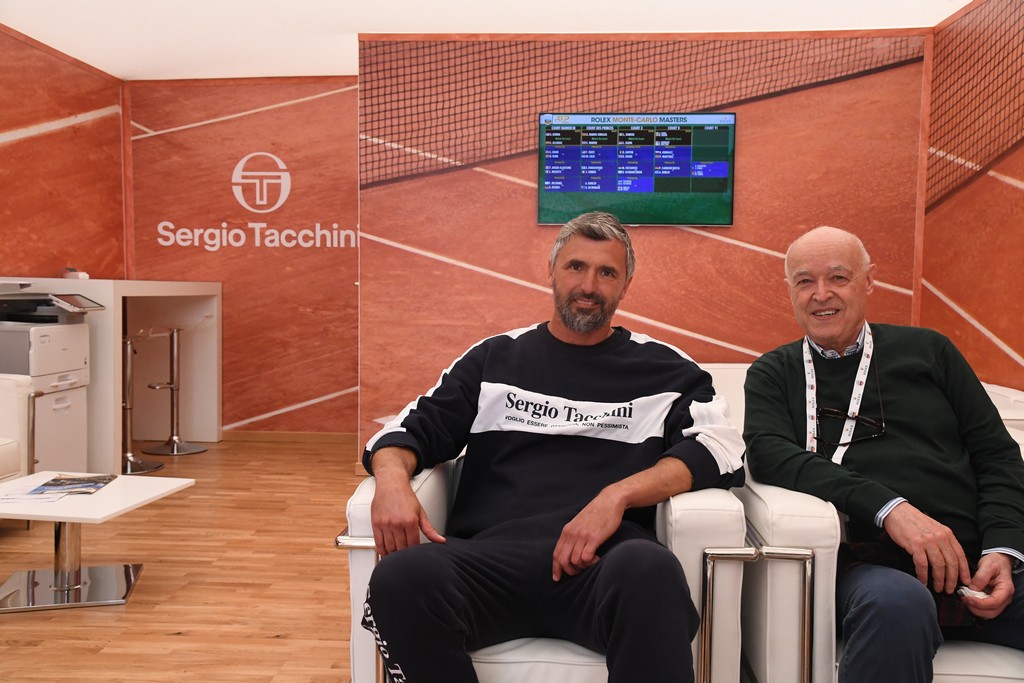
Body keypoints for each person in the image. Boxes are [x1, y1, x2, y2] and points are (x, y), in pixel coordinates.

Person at [359, 211, 746, 683]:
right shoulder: (494, 358)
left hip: (603, 566)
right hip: (489, 564)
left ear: (625, 286)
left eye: (607, 273)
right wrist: (392, 481)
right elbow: (407, 430)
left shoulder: (668, 370)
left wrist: (616, 496)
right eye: (576, 266)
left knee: (651, 569)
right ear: (551, 271)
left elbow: (720, 448)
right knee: (399, 578)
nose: (589, 285)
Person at [743, 225, 1024, 683]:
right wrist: (890, 509)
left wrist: (1004, 550)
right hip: (868, 567)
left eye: (838, 277)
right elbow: (769, 454)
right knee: (896, 605)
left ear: (869, 281)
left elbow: (998, 456)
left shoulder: (930, 351)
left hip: (974, 561)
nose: (821, 294)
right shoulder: (774, 373)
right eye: (804, 281)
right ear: (790, 290)